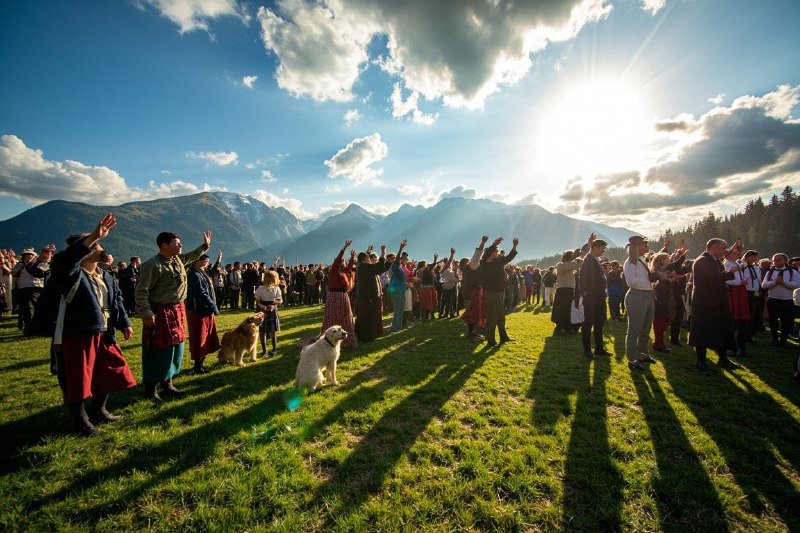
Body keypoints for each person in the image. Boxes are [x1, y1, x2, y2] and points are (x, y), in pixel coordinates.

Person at [47, 214, 136, 436]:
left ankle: (100, 410)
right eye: (96, 244)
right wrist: (92, 236)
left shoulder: (104, 276)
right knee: (77, 377)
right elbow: (62, 261)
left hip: (105, 332)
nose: (101, 248)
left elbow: (117, 301)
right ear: (83, 249)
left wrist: (124, 322)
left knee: (105, 372)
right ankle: (81, 421)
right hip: (78, 333)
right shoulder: (70, 273)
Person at [136, 229, 211, 402]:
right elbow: (141, 291)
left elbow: (192, 256)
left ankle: (167, 384)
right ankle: (150, 390)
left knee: (175, 348)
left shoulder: (177, 259)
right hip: (159, 311)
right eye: (177, 243)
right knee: (157, 350)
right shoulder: (152, 265)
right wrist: (146, 312)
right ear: (164, 245)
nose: (181, 245)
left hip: (177, 309)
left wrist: (205, 246)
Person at [689, 238, 741, 373]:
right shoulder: (703, 261)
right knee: (703, 331)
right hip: (705, 302)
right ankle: (701, 362)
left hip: (718, 301)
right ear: (714, 247)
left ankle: (723, 359)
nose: (725, 251)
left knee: (721, 329)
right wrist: (731, 271)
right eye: (723, 248)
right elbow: (713, 278)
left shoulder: (715, 260)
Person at [623, 236, 661, 371]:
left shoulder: (642, 260)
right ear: (637, 246)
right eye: (645, 243)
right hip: (636, 295)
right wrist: (650, 278)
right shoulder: (630, 262)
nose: (648, 245)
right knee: (634, 330)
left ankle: (643, 354)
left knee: (646, 328)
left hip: (648, 295)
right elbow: (632, 282)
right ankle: (632, 359)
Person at [478, 236, 518, 347]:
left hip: (500, 292)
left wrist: (514, 246)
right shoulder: (484, 263)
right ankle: (490, 340)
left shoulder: (498, 261)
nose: (497, 253)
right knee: (491, 316)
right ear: (490, 253)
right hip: (490, 292)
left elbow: (509, 257)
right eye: (495, 251)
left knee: (501, 315)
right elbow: (486, 254)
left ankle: (503, 337)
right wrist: (494, 244)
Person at [185, 251, 221, 374]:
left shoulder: (201, 272)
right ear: (197, 261)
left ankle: (200, 365)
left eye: (207, 262)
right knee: (199, 338)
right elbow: (200, 293)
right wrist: (213, 305)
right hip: (198, 311)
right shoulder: (194, 274)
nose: (206, 264)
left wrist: (218, 260)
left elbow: (212, 272)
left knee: (206, 337)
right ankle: (197, 366)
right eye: (204, 261)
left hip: (205, 311)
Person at [321, 240, 359, 347]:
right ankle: (330, 339)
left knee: (346, 316)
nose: (343, 261)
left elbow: (349, 267)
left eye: (343, 261)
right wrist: (344, 248)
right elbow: (338, 259)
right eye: (341, 261)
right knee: (333, 316)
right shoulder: (333, 270)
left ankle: (346, 339)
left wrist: (352, 257)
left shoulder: (342, 272)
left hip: (343, 296)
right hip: (335, 296)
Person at [579, 237, 611, 359]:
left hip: (598, 296)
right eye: (602, 248)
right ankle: (587, 349)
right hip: (592, 296)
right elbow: (584, 278)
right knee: (588, 322)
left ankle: (599, 348)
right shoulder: (588, 260)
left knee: (600, 321)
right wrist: (586, 293)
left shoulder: (595, 259)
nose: (603, 251)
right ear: (596, 248)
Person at [761, 253, 800, 347]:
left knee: (786, 321)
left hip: (787, 300)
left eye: (779, 260)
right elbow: (764, 285)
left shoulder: (793, 272)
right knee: (773, 321)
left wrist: (783, 283)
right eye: (774, 260)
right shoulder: (770, 272)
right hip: (773, 300)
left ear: (785, 261)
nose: (775, 262)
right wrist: (774, 282)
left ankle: (783, 340)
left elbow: (797, 284)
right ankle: (774, 339)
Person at [13, 246, 52, 333]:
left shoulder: (38, 263)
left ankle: (32, 327)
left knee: (33, 308)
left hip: (37, 287)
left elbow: (43, 273)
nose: (28, 256)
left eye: (30, 255)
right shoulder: (21, 265)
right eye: (26, 255)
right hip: (25, 288)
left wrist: (46, 257)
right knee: (27, 309)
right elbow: (14, 273)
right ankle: (28, 327)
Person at [355, 245, 386, 342]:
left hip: (365, 296)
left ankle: (365, 335)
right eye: (368, 257)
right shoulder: (365, 267)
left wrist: (368, 251)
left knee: (365, 316)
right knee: (370, 316)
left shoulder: (361, 266)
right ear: (364, 259)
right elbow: (379, 267)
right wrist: (383, 254)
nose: (370, 259)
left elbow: (377, 268)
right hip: (369, 297)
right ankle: (368, 336)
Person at [255, 270, 283, 356]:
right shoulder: (260, 288)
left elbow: (280, 300)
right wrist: (262, 307)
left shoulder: (276, 288)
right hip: (261, 311)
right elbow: (257, 301)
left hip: (272, 310)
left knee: (272, 331)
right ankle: (264, 351)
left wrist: (273, 306)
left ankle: (274, 350)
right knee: (262, 331)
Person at [387, 239, 409, 333]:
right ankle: (395, 328)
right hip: (398, 291)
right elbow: (397, 258)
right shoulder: (395, 266)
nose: (403, 259)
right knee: (398, 310)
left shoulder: (398, 267)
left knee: (398, 310)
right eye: (402, 258)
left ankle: (396, 327)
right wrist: (400, 248)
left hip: (397, 289)